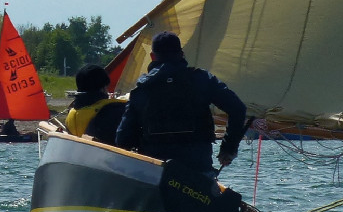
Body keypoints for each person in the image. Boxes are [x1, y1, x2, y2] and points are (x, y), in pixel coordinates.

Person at [115, 31, 247, 174]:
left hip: (154, 171)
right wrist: (228, 149)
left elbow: (122, 139)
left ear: (152, 56)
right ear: (181, 54)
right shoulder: (202, 80)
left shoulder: (141, 89)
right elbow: (238, 109)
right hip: (197, 168)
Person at [65, 64, 126, 145]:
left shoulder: (72, 113)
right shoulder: (113, 110)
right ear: (103, 87)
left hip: (79, 154)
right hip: (105, 156)